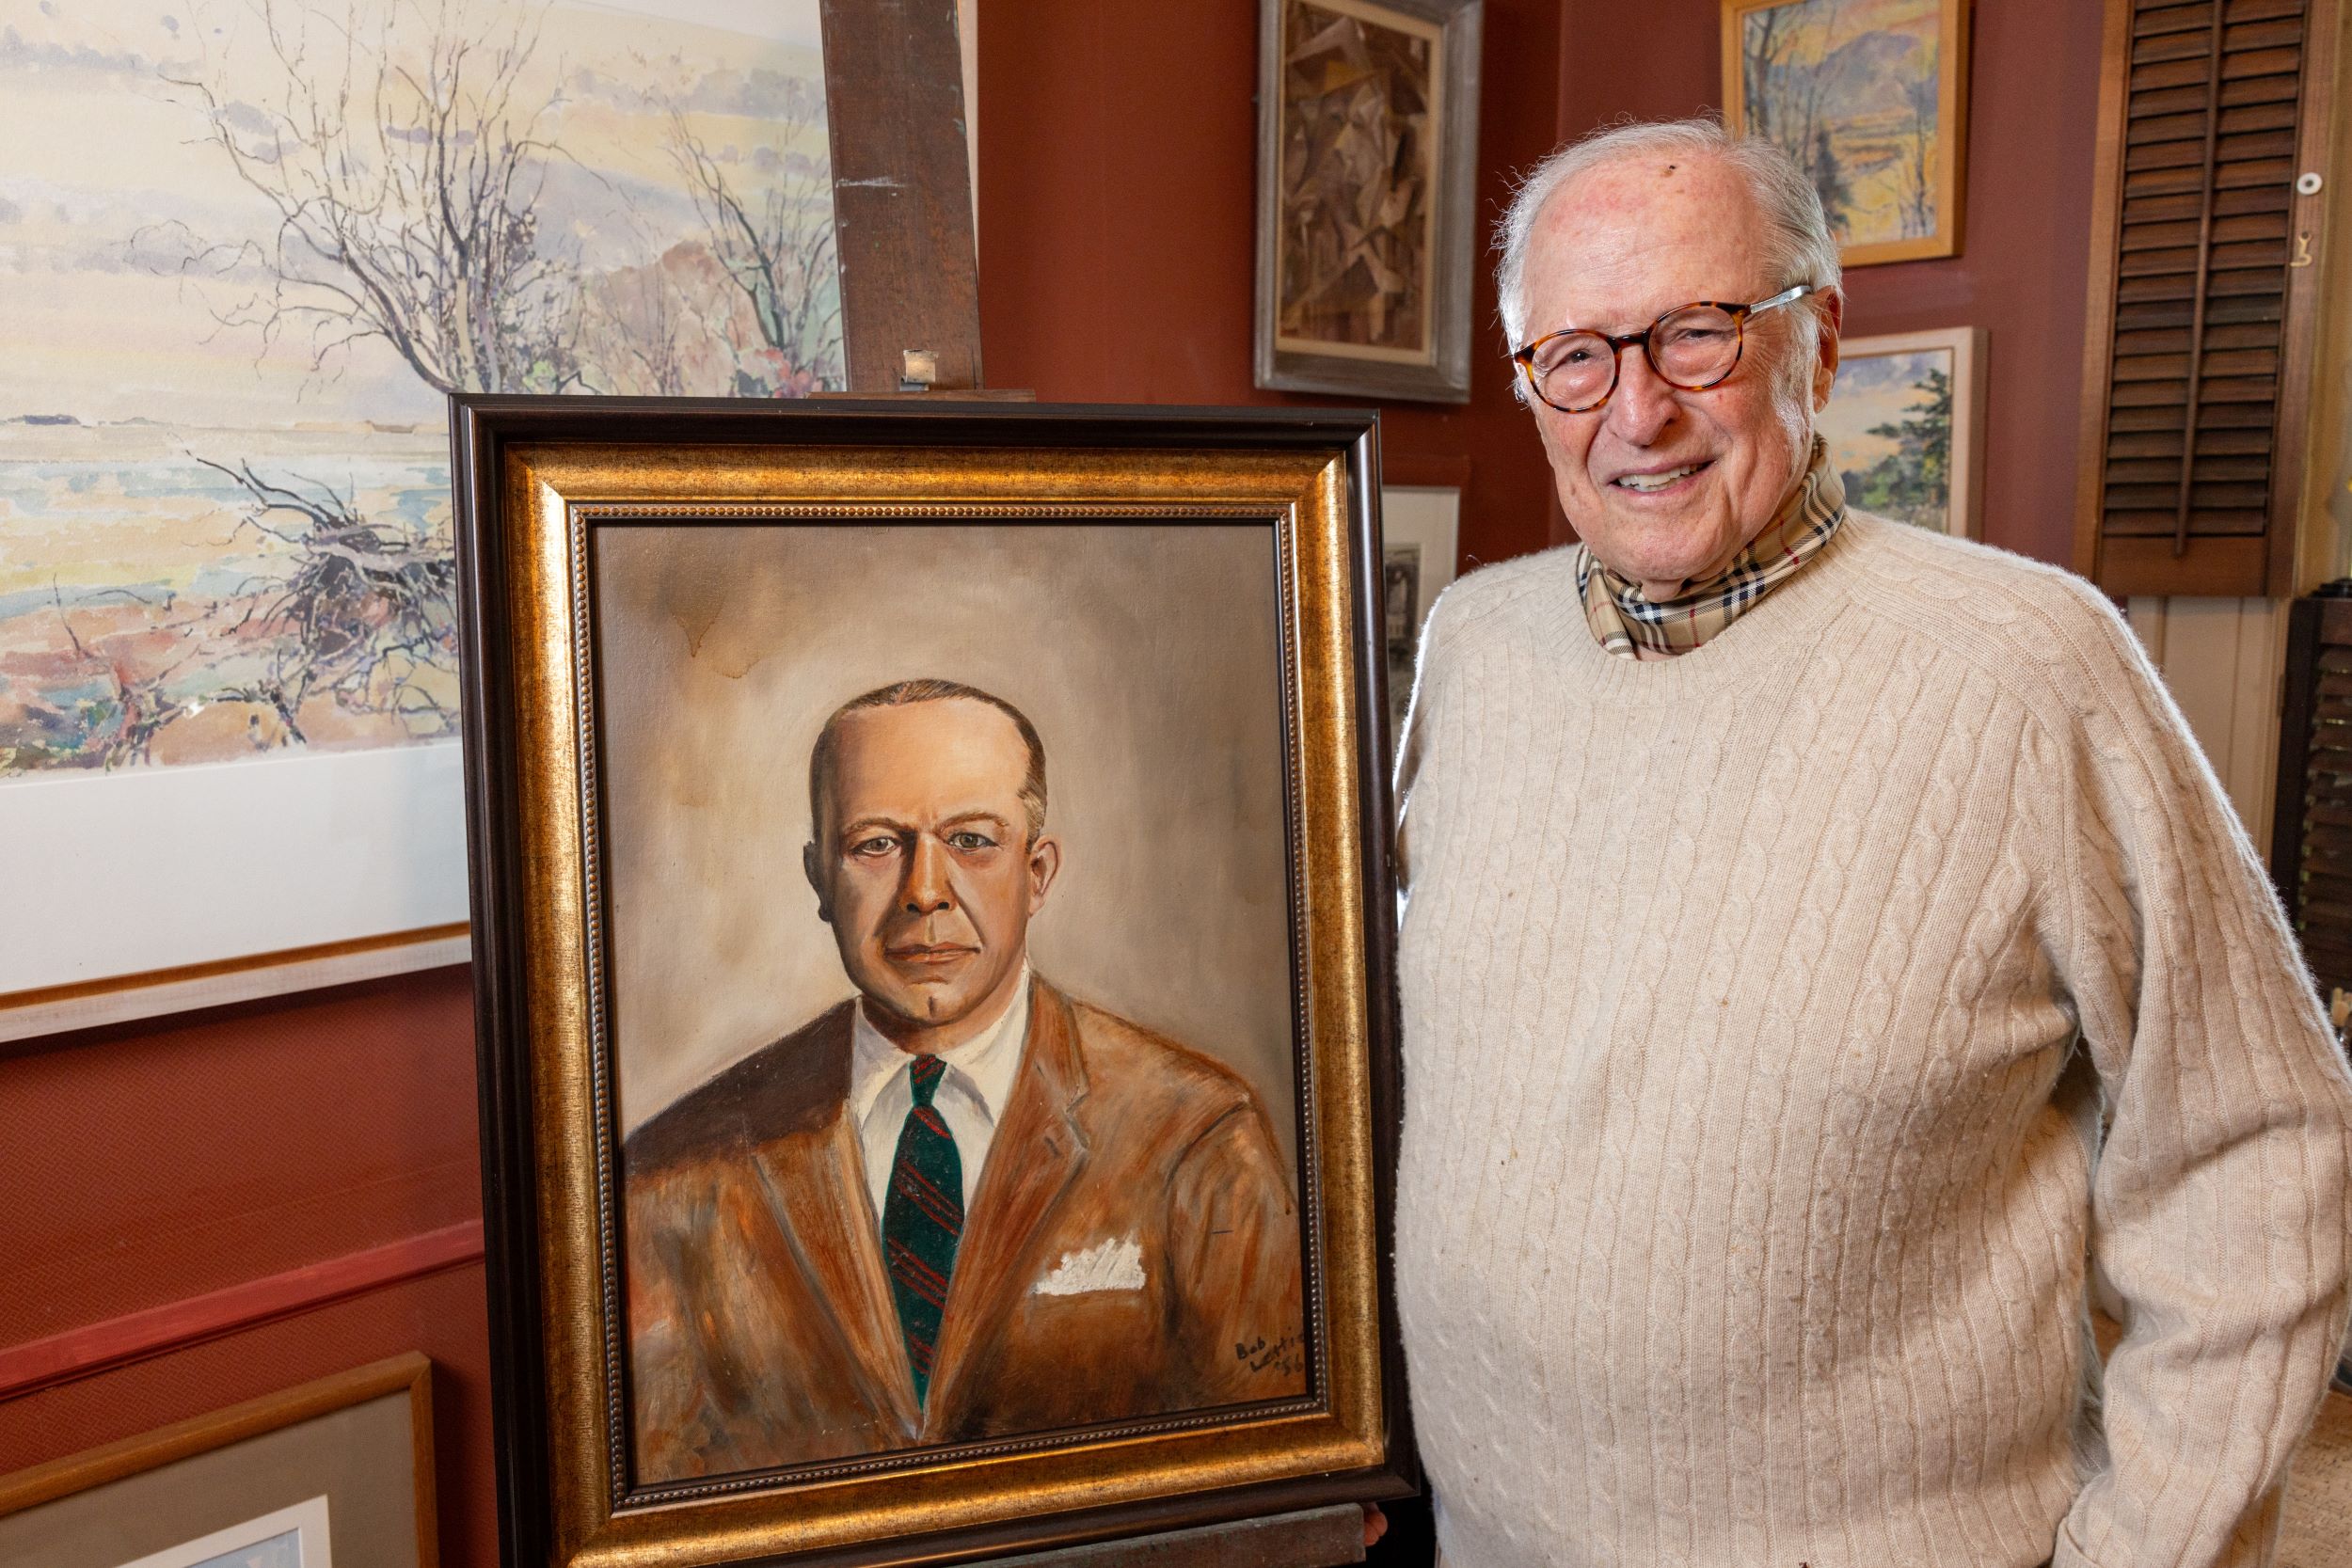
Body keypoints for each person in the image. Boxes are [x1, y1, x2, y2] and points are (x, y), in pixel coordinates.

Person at [1391, 118, 2352, 1568]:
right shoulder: (1469, 645)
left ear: (1818, 340)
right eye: (1575, 354)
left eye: (1697, 336)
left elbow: (2258, 1143)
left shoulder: (2032, 666)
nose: (1634, 412)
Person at [625, 678, 1305, 1481]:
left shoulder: (1195, 1137)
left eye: (972, 839)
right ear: (817, 879)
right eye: (876, 844)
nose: (924, 890)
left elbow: (1276, 1473)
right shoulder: (674, 1174)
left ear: (1039, 871)